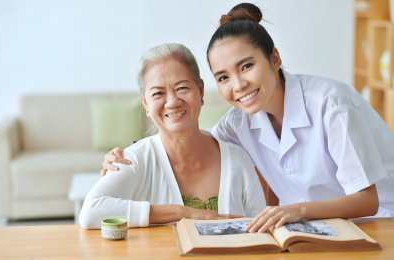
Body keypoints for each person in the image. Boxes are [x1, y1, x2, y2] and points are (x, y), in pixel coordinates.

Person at [101, 3, 394, 232]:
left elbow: (368, 200)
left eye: (246, 66)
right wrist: (128, 153)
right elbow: (188, 140)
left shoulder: (331, 104)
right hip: (317, 230)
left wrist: (296, 210)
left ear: (275, 58)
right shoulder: (238, 123)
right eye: (224, 77)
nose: (238, 85)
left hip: (381, 224)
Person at [79, 43, 266, 229]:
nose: (172, 102)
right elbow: (90, 212)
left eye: (182, 88)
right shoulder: (135, 159)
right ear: (145, 103)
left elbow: (261, 231)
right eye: (158, 93)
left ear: (200, 91)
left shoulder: (237, 159)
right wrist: (182, 213)